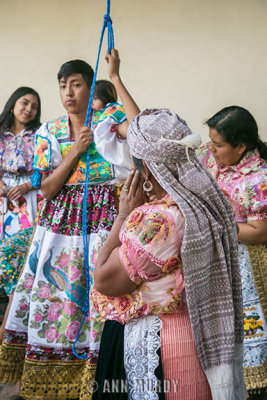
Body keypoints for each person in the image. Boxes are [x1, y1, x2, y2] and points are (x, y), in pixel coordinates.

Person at [80, 50, 246, 400]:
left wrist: (123, 215)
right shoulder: (205, 201)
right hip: (198, 335)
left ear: (149, 169)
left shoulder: (159, 220)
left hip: (161, 345)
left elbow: (105, 280)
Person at [0, 59, 132, 399]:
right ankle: (58, 369)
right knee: (60, 287)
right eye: (62, 85)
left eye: (75, 84)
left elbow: (137, 128)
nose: (67, 93)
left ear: (90, 86)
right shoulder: (50, 131)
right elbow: (45, 189)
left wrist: (116, 77)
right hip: (62, 221)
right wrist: (75, 151)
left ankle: (103, 374)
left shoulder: (109, 119)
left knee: (102, 289)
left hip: (106, 214)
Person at [198, 106, 267, 397]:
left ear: (240, 147)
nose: (210, 150)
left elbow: (259, 232)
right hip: (220, 258)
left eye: (218, 145)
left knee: (251, 330)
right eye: (211, 142)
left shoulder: (258, 180)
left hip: (247, 264)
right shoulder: (213, 160)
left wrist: (219, 223)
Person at [0, 87, 41, 341]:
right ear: (13, 103)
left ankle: (13, 320)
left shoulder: (40, 135)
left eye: (34, 106)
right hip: (2, 197)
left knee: (21, 253)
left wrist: (26, 186)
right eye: (25, 103)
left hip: (28, 198)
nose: (28, 109)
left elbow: (45, 168)